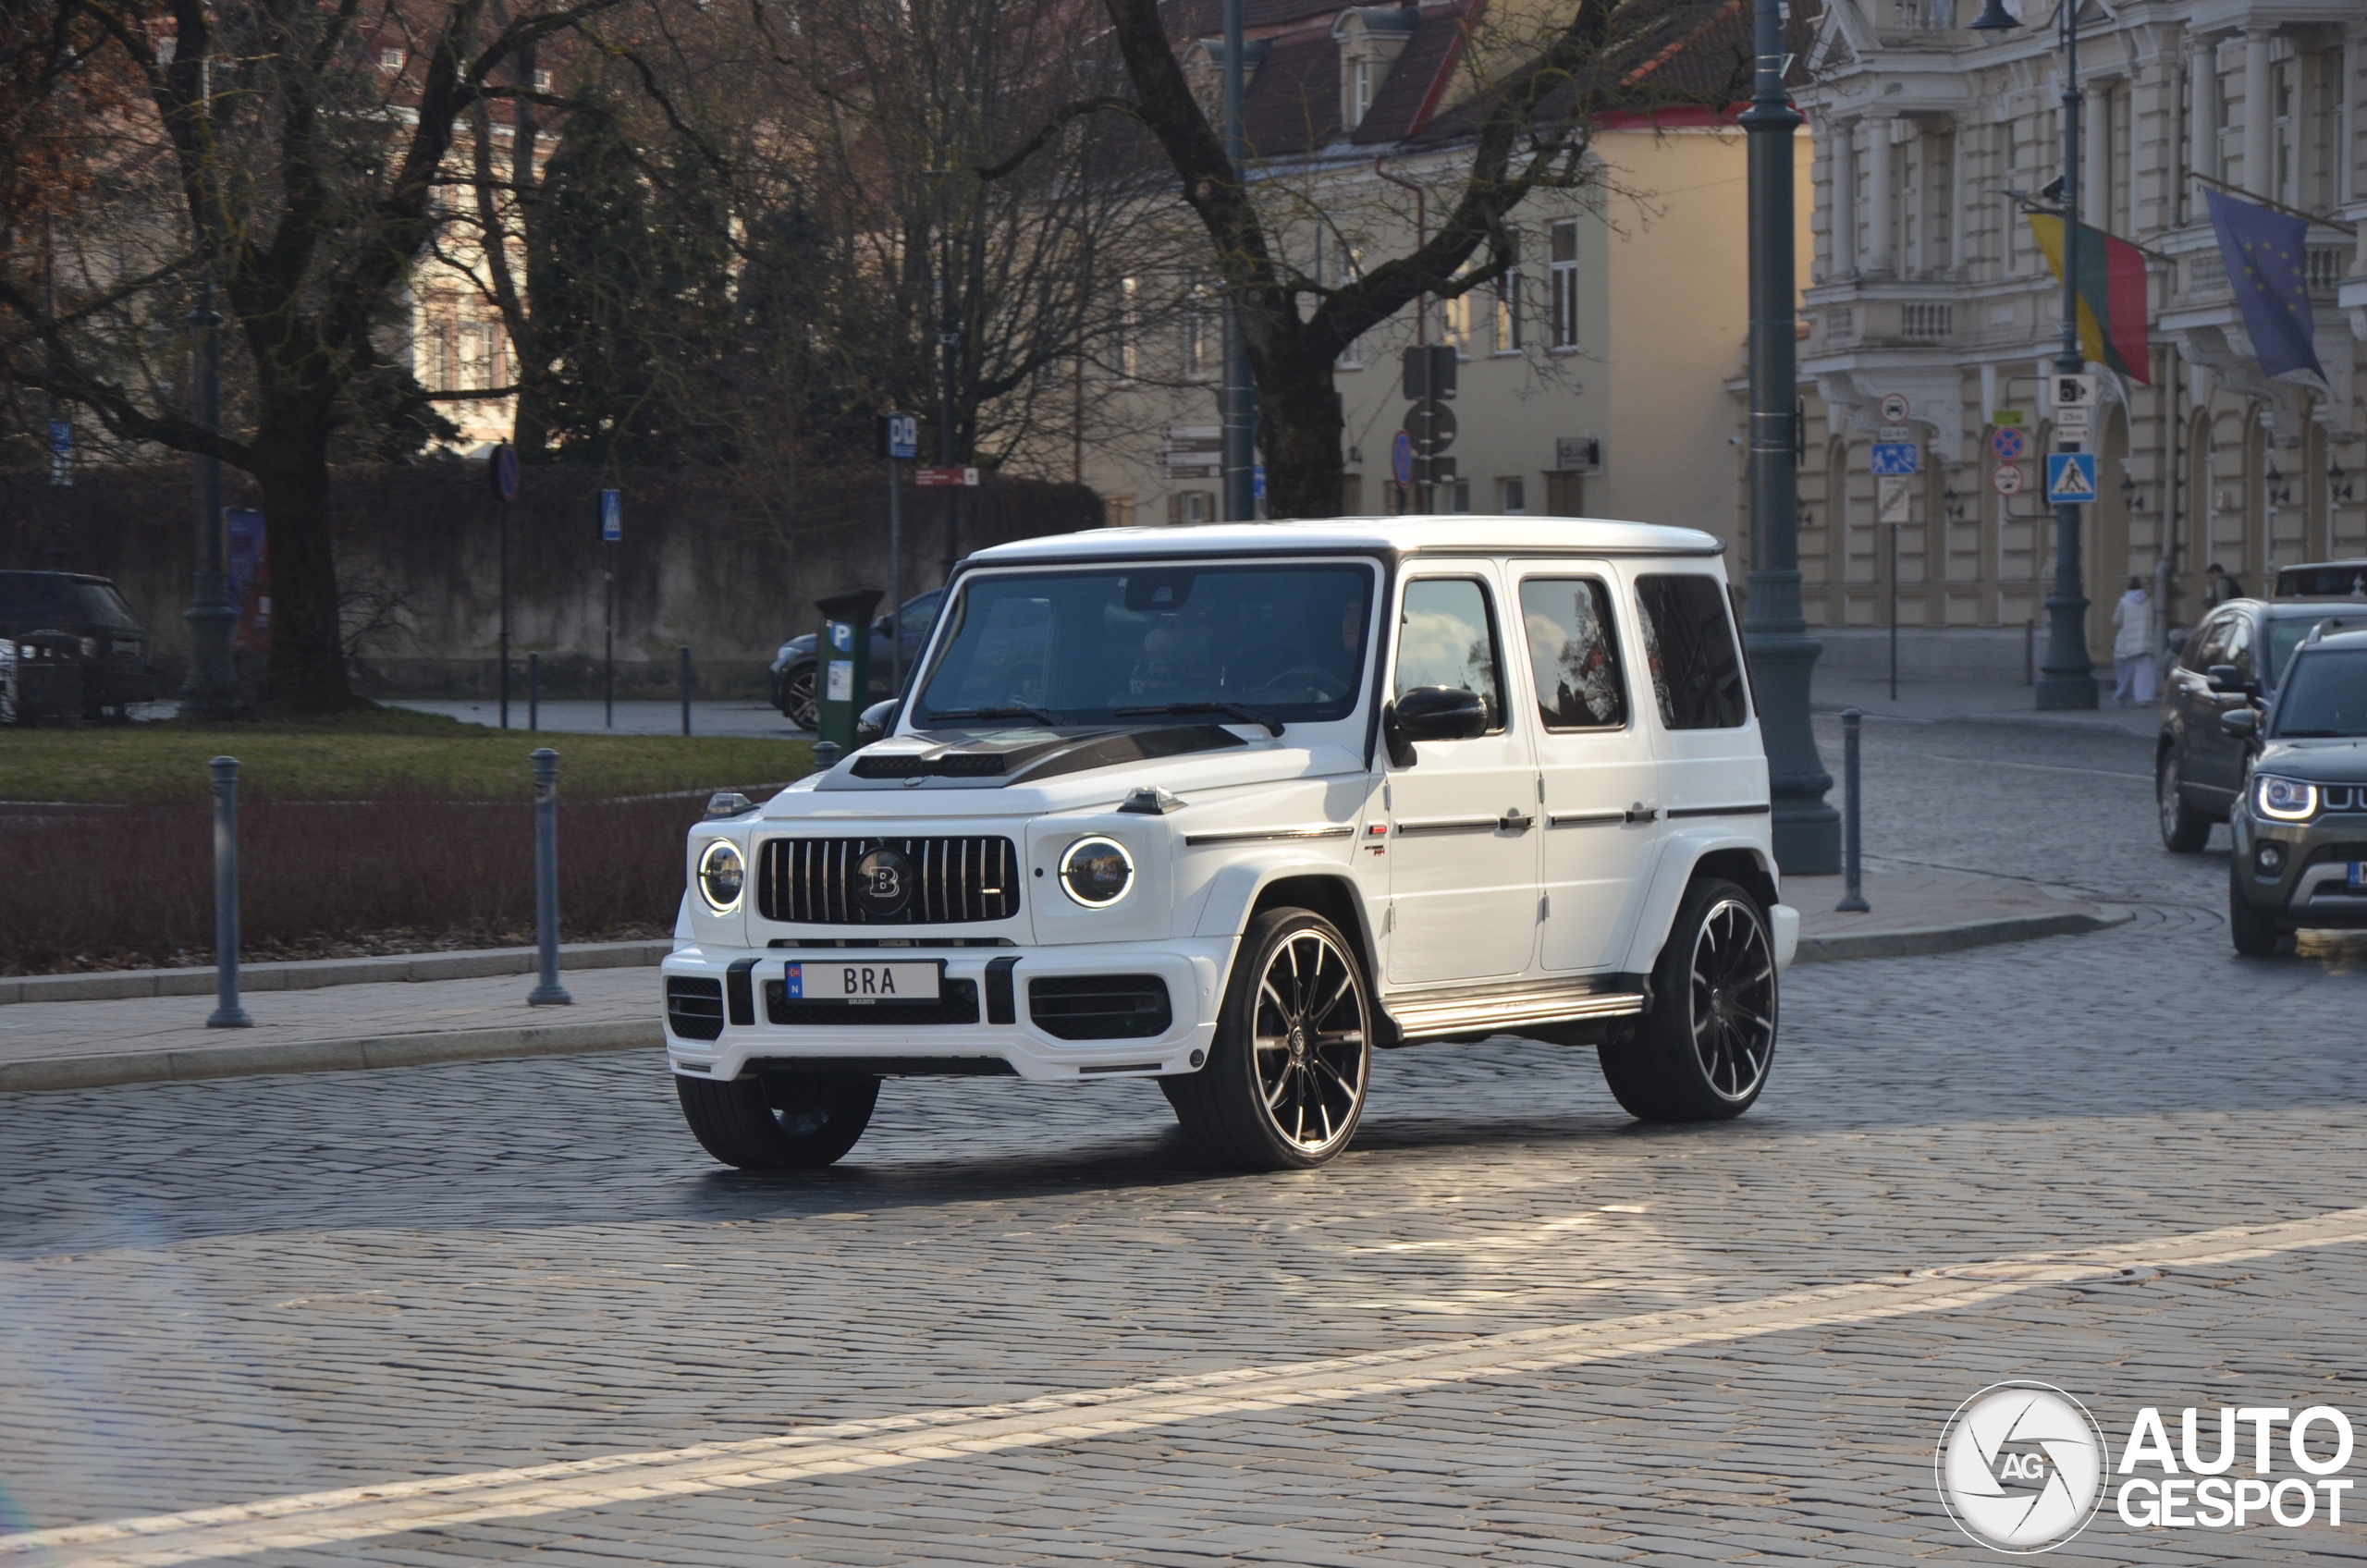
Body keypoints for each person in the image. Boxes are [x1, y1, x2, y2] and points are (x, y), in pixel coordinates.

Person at [2113, 576, 2158, 706]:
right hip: (2146, 641)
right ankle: (2144, 698)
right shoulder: (2149, 602)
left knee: (2128, 672)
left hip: (2128, 642)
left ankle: (2122, 696)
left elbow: (2116, 622)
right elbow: (2154, 620)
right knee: (2146, 671)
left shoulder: (2123, 602)